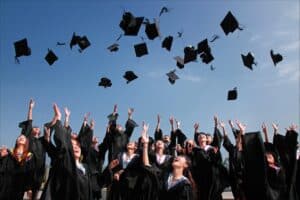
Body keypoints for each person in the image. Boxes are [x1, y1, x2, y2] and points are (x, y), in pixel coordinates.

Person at [40, 104, 92, 200]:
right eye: (72, 145)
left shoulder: (85, 167)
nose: (76, 147)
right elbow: (63, 143)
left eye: (78, 145)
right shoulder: (61, 159)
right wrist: (59, 120)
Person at [141, 122, 194, 200]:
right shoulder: (164, 176)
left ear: (186, 165)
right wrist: (145, 145)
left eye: (181, 156)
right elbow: (147, 166)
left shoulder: (185, 185)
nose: (177, 157)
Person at [18, 99, 47, 200]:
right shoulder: (29, 138)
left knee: (35, 194)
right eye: (34, 128)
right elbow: (29, 122)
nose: (36, 128)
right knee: (27, 191)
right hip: (29, 169)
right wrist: (30, 109)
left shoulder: (42, 141)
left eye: (38, 128)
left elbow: (48, 136)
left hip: (39, 171)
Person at [0, 134, 36, 200]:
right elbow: (2, 168)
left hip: (19, 187)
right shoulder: (9, 153)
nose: (21, 137)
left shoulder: (29, 156)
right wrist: (1, 156)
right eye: (19, 137)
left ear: (26, 142)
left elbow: (30, 173)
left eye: (23, 137)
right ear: (16, 141)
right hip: (5, 185)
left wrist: (29, 188)